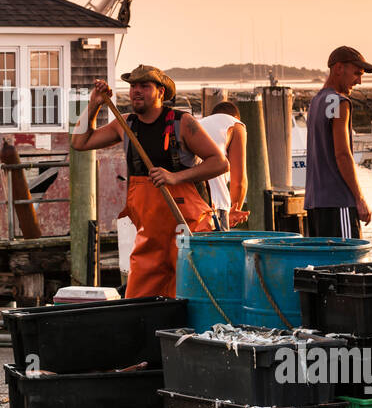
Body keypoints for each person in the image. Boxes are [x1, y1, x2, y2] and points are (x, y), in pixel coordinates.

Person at [71, 64, 227, 298]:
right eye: (133, 86)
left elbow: (220, 162)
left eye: (145, 86)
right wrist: (94, 104)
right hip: (149, 238)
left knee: (190, 297)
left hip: (186, 231)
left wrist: (175, 177)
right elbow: (80, 142)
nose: (136, 91)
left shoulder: (182, 123)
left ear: (161, 92)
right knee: (135, 300)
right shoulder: (125, 125)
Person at [305, 46, 372, 238]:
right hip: (338, 202)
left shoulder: (316, 102)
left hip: (315, 203)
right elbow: (342, 154)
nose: (359, 82)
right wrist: (359, 199)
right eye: (356, 74)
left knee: (322, 267)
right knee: (347, 265)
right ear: (338, 69)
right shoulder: (337, 102)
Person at [198, 101, 249, 230]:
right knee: (216, 249)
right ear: (236, 118)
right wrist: (234, 209)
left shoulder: (198, 123)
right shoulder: (236, 125)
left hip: (190, 203)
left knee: (189, 249)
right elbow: (239, 181)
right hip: (215, 206)